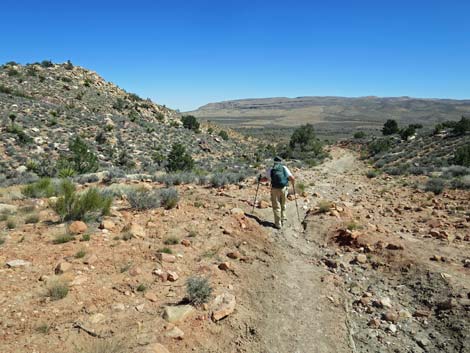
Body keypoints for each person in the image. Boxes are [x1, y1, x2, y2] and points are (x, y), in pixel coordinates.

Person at [259, 156, 295, 229]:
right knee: (283, 204)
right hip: (284, 188)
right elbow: (292, 178)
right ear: (281, 161)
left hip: (274, 189)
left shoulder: (271, 169)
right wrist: (293, 185)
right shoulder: (284, 168)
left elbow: (265, 179)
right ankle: (283, 219)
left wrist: (259, 179)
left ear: (274, 162)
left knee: (276, 207)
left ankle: (278, 224)